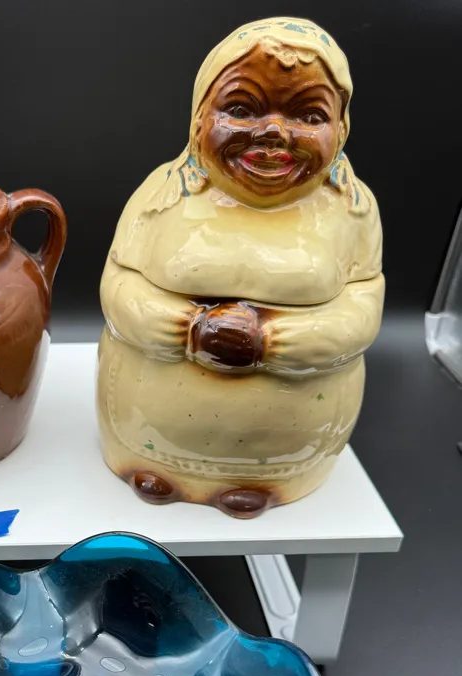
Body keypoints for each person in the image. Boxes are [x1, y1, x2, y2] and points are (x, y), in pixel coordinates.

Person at [97, 17, 384, 516]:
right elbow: (119, 285)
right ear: (199, 119)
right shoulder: (163, 194)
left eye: (309, 115)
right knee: (150, 453)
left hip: (292, 434)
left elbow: (363, 307)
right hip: (145, 421)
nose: (273, 132)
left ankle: (265, 478)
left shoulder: (350, 210)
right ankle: (155, 466)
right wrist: (185, 329)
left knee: (274, 466)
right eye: (240, 109)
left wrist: (272, 341)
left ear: (341, 129)